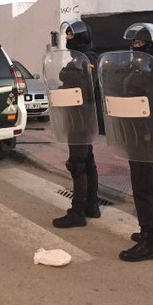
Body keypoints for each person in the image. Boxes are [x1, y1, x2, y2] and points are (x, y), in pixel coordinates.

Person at [99, 23, 153, 261]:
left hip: (149, 134)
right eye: (133, 42)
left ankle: (148, 242)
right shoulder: (139, 68)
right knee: (150, 183)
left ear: (151, 44)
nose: (134, 46)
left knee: (143, 185)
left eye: (139, 43)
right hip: (136, 132)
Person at [50, 20, 102, 229]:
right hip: (77, 116)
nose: (67, 38)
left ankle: (78, 212)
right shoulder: (76, 60)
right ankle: (92, 205)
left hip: (82, 117)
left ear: (80, 36)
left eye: (71, 35)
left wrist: (66, 76)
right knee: (87, 161)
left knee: (78, 164)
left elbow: (82, 81)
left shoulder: (88, 59)